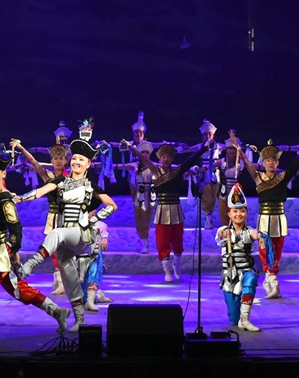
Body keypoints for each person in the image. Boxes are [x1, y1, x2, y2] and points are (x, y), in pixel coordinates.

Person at [16, 138, 118, 332]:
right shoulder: (61, 182)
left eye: (81, 159)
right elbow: (39, 192)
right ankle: (79, 320)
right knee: (70, 279)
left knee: (56, 232)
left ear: (88, 163)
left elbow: (112, 205)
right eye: (75, 158)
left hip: (81, 235)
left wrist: (93, 220)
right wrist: (19, 198)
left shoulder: (91, 186)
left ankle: (30, 265)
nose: (76, 162)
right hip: (64, 236)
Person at [0, 152, 70, 338]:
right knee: (18, 290)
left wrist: (13, 251)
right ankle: (57, 311)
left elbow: (16, 229)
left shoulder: (5, 200)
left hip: (0, 251)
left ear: (3, 174)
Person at [126, 139, 208, 282]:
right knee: (162, 240)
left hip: (176, 209)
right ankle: (167, 271)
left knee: (177, 240)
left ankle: (177, 263)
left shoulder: (177, 171)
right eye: (163, 157)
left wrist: (204, 148)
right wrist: (132, 148)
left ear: (172, 158)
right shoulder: (156, 170)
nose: (166, 159)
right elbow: (143, 159)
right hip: (162, 210)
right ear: (160, 159)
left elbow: (190, 160)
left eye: (168, 157)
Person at [235, 132, 299, 299]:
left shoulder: (282, 178)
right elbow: (246, 163)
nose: (271, 163)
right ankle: (273, 282)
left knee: (277, 251)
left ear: (277, 162)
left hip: (279, 219)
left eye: (274, 160)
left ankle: (270, 280)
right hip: (264, 220)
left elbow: (296, 164)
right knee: (265, 250)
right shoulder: (258, 178)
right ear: (263, 162)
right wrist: (237, 147)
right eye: (267, 160)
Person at [12, 139, 69, 293]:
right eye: (55, 158)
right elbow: (33, 161)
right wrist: (21, 148)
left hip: (68, 216)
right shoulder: (47, 177)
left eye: (61, 158)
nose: (58, 161)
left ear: (66, 160)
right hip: (53, 217)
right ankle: (59, 278)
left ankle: (65, 279)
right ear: (51, 160)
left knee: (65, 249)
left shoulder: (70, 178)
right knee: (54, 249)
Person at [216, 183, 265, 332]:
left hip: (246, 271)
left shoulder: (249, 231)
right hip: (230, 277)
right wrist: (225, 233)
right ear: (229, 214)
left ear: (246, 213)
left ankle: (245, 319)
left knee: (251, 278)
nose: (239, 214)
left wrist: (260, 236)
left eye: (242, 211)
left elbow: (254, 234)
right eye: (235, 211)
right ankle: (238, 318)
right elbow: (221, 233)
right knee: (233, 318)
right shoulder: (224, 230)